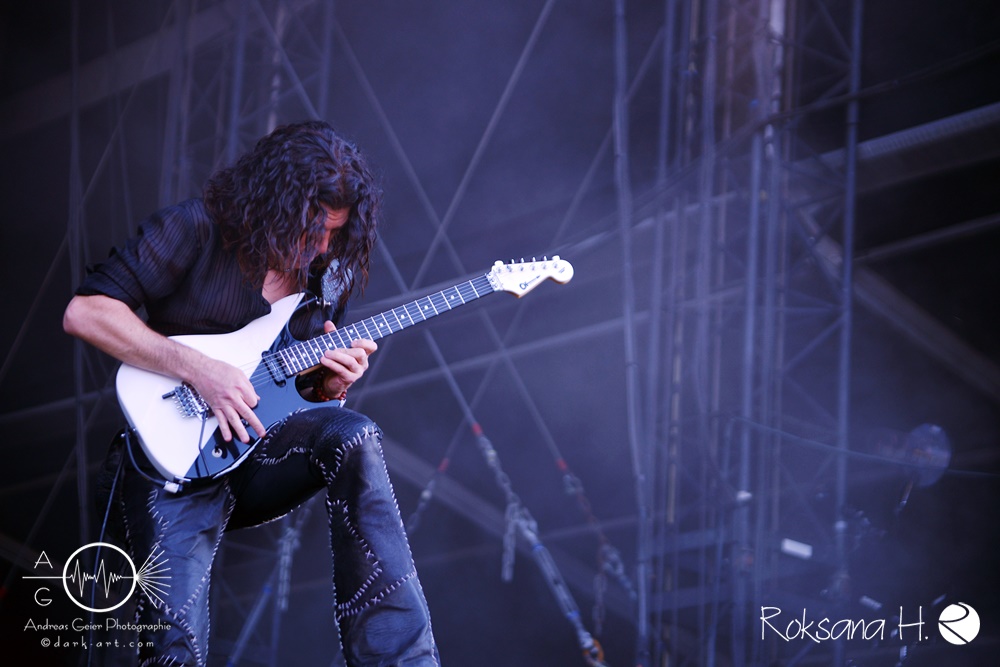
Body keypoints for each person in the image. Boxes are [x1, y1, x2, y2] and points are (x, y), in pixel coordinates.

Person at [63, 120, 440, 666]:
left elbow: (296, 394)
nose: (321, 247)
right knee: (174, 652)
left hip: (259, 454)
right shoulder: (194, 228)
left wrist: (329, 386)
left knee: (354, 436)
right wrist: (198, 369)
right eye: (312, 229)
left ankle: (401, 660)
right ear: (272, 204)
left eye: (333, 234)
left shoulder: (323, 281)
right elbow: (86, 313)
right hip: (170, 466)